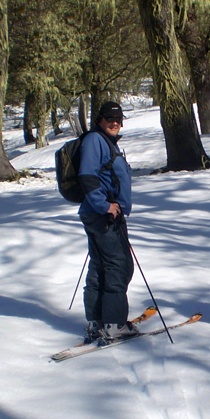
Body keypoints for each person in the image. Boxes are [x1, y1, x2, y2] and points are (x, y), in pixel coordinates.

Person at [79, 101, 137, 342]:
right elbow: (87, 176)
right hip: (103, 215)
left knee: (101, 265)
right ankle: (114, 324)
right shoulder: (95, 141)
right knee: (118, 266)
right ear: (99, 120)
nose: (114, 122)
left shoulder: (106, 143)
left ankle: (97, 321)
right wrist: (105, 206)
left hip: (101, 214)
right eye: (109, 118)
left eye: (118, 118)